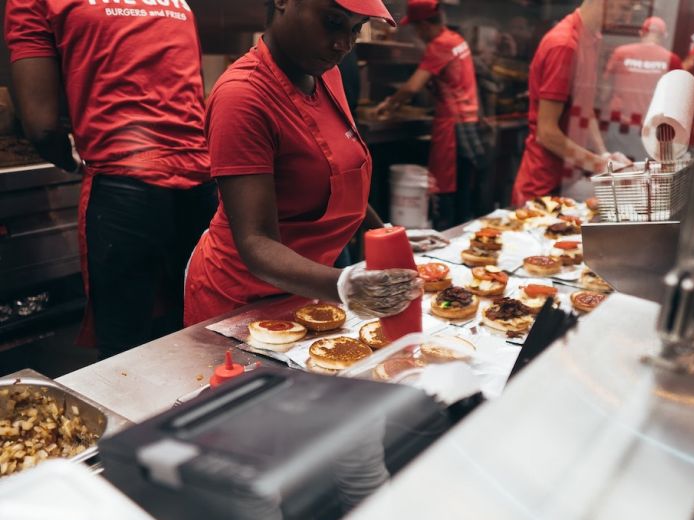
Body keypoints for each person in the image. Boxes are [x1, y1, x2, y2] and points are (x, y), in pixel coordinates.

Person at [183, 0, 422, 326]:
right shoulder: (243, 97)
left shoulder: (327, 75)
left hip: (309, 292)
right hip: (242, 305)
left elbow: (339, 177)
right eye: (332, 21)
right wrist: (342, 285)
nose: (344, 44)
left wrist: (385, 235)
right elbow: (255, 243)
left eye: (355, 28)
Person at [5, 0, 218, 359]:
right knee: (200, 338)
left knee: (125, 353)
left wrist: (72, 159)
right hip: (202, 182)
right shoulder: (176, 2)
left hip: (126, 186)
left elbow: (40, 126)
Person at [374, 0, 483, 229]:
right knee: (463, 191)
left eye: (415, 28)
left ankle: (447, 243)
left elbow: (412, 87)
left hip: (453, 126)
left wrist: (388, 105)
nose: (416, 33)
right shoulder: (456, 39)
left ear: (423, 25)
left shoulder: (439, 45)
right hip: (468, 121)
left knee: (447, 194)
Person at [511, 0, 629, 207]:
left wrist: (604, 153)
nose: (625, 17)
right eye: (623, 7)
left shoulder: (591, 39)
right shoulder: (564, 45)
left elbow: (584, 106)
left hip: (568, 180)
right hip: (543, 188)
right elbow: (547, 133)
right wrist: (601, 165)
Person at [602, 16, 682, 160]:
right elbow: (677, 100)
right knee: (641, 175)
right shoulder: (672, 60)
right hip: (651, 129)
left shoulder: (621, 53)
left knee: (614, 172)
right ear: (663, 36)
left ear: (641, 33)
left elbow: (604, 91)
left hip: (620, 124)